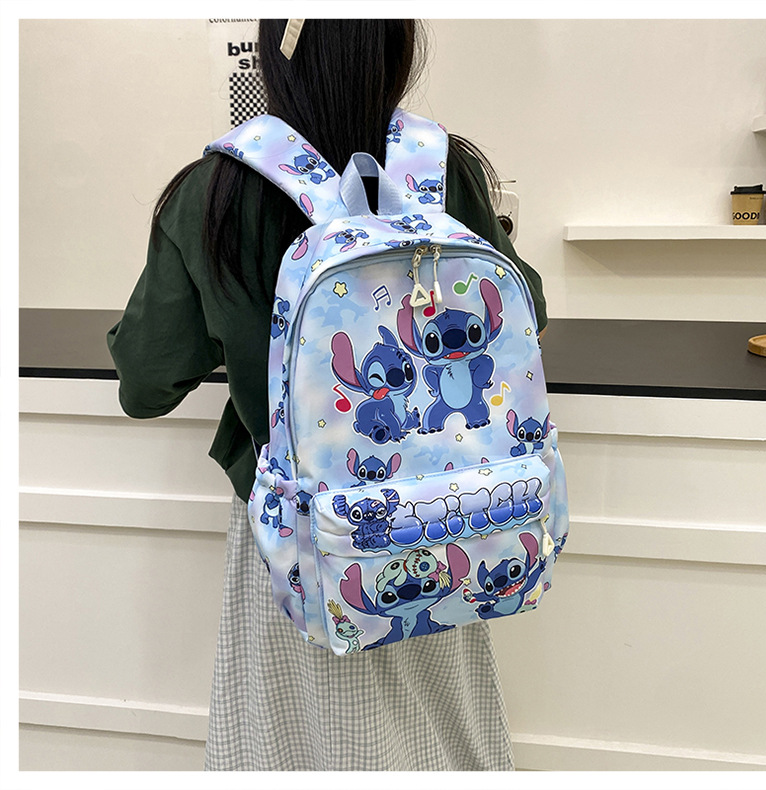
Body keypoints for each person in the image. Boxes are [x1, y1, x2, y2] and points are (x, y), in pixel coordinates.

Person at [107, 19, 547, 772]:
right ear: (397, 48)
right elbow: (525, 313)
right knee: (446, 736)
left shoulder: (215, 189)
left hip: (304, 533)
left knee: (287, 742)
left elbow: (147, 382)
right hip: (456, 512)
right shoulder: (443, 170)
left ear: (274, 57)